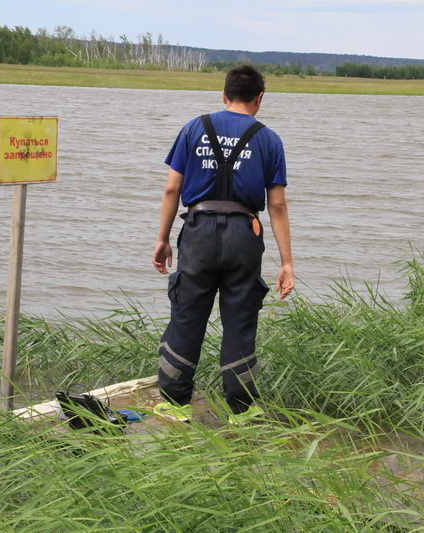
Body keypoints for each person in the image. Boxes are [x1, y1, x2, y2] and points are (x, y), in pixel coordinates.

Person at [151, 64, 294, 425]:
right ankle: (242, 411)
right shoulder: (269, 139)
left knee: (186, 314)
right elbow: (276, 205)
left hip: (197, 231)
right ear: (260, 98)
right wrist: (287, 262)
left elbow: (172, 189)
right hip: (244, 234)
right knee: (240, 318)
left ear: (223, 94)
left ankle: (175, 404)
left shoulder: (194, 128)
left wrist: (163, 239)